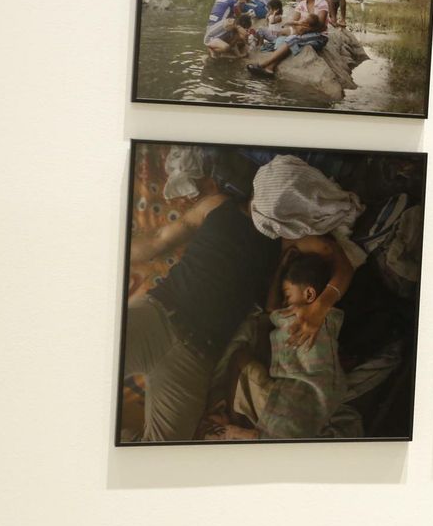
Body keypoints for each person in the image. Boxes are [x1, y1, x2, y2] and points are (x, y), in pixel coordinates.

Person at [122, 188, 355, 442]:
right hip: (159, 314)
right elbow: (159, 239)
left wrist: (320, 307)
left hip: (196, 360)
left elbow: (341, 263)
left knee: (161, 456)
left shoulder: (284, 236)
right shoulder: (216, 205)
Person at [206, 253, 362, 440]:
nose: (284, 302)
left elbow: (271, 308)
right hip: (321, 393)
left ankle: (234, 419)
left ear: (309, 294)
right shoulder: (330, 317)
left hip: (299, 399)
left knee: (239, 356)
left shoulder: (300, 313)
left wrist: (280, 268)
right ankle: (246, 425)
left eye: (287, 295)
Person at [247, 0, 329, 79]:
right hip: (302, 33)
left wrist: (303, 29)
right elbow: (293, 22)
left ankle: (262, 64)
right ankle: (270, 68)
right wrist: (298, 27)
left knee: (292, 39)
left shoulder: (321, 3)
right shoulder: (301, 4)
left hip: (319, 36)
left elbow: (320, 26)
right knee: (287, 39)